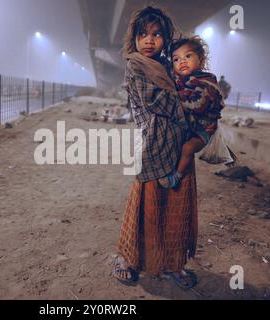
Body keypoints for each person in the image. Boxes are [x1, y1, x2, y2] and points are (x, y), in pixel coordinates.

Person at [114, 6, 198, 289]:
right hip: (153, 145)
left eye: (157, 34)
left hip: (178, 144)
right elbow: (156, 101)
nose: (149, 40)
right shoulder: (136, 65)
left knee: (175, 208)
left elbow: (192, 86)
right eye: (143, 34)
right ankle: (127, 259)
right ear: (134, 38)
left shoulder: (168, 65)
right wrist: (189, 106)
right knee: (145, 207)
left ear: (166, 38)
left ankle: (171, 264)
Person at [161, 36, 225, 188]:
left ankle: (177, 176)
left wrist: (173, 97)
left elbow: (197, 105)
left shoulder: (207, 82)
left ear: (201, 60)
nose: (182, 61)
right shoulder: (178, 81)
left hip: (203, 129)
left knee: (187, 148)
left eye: (188, 56)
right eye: (176, 59)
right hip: (188, 126)